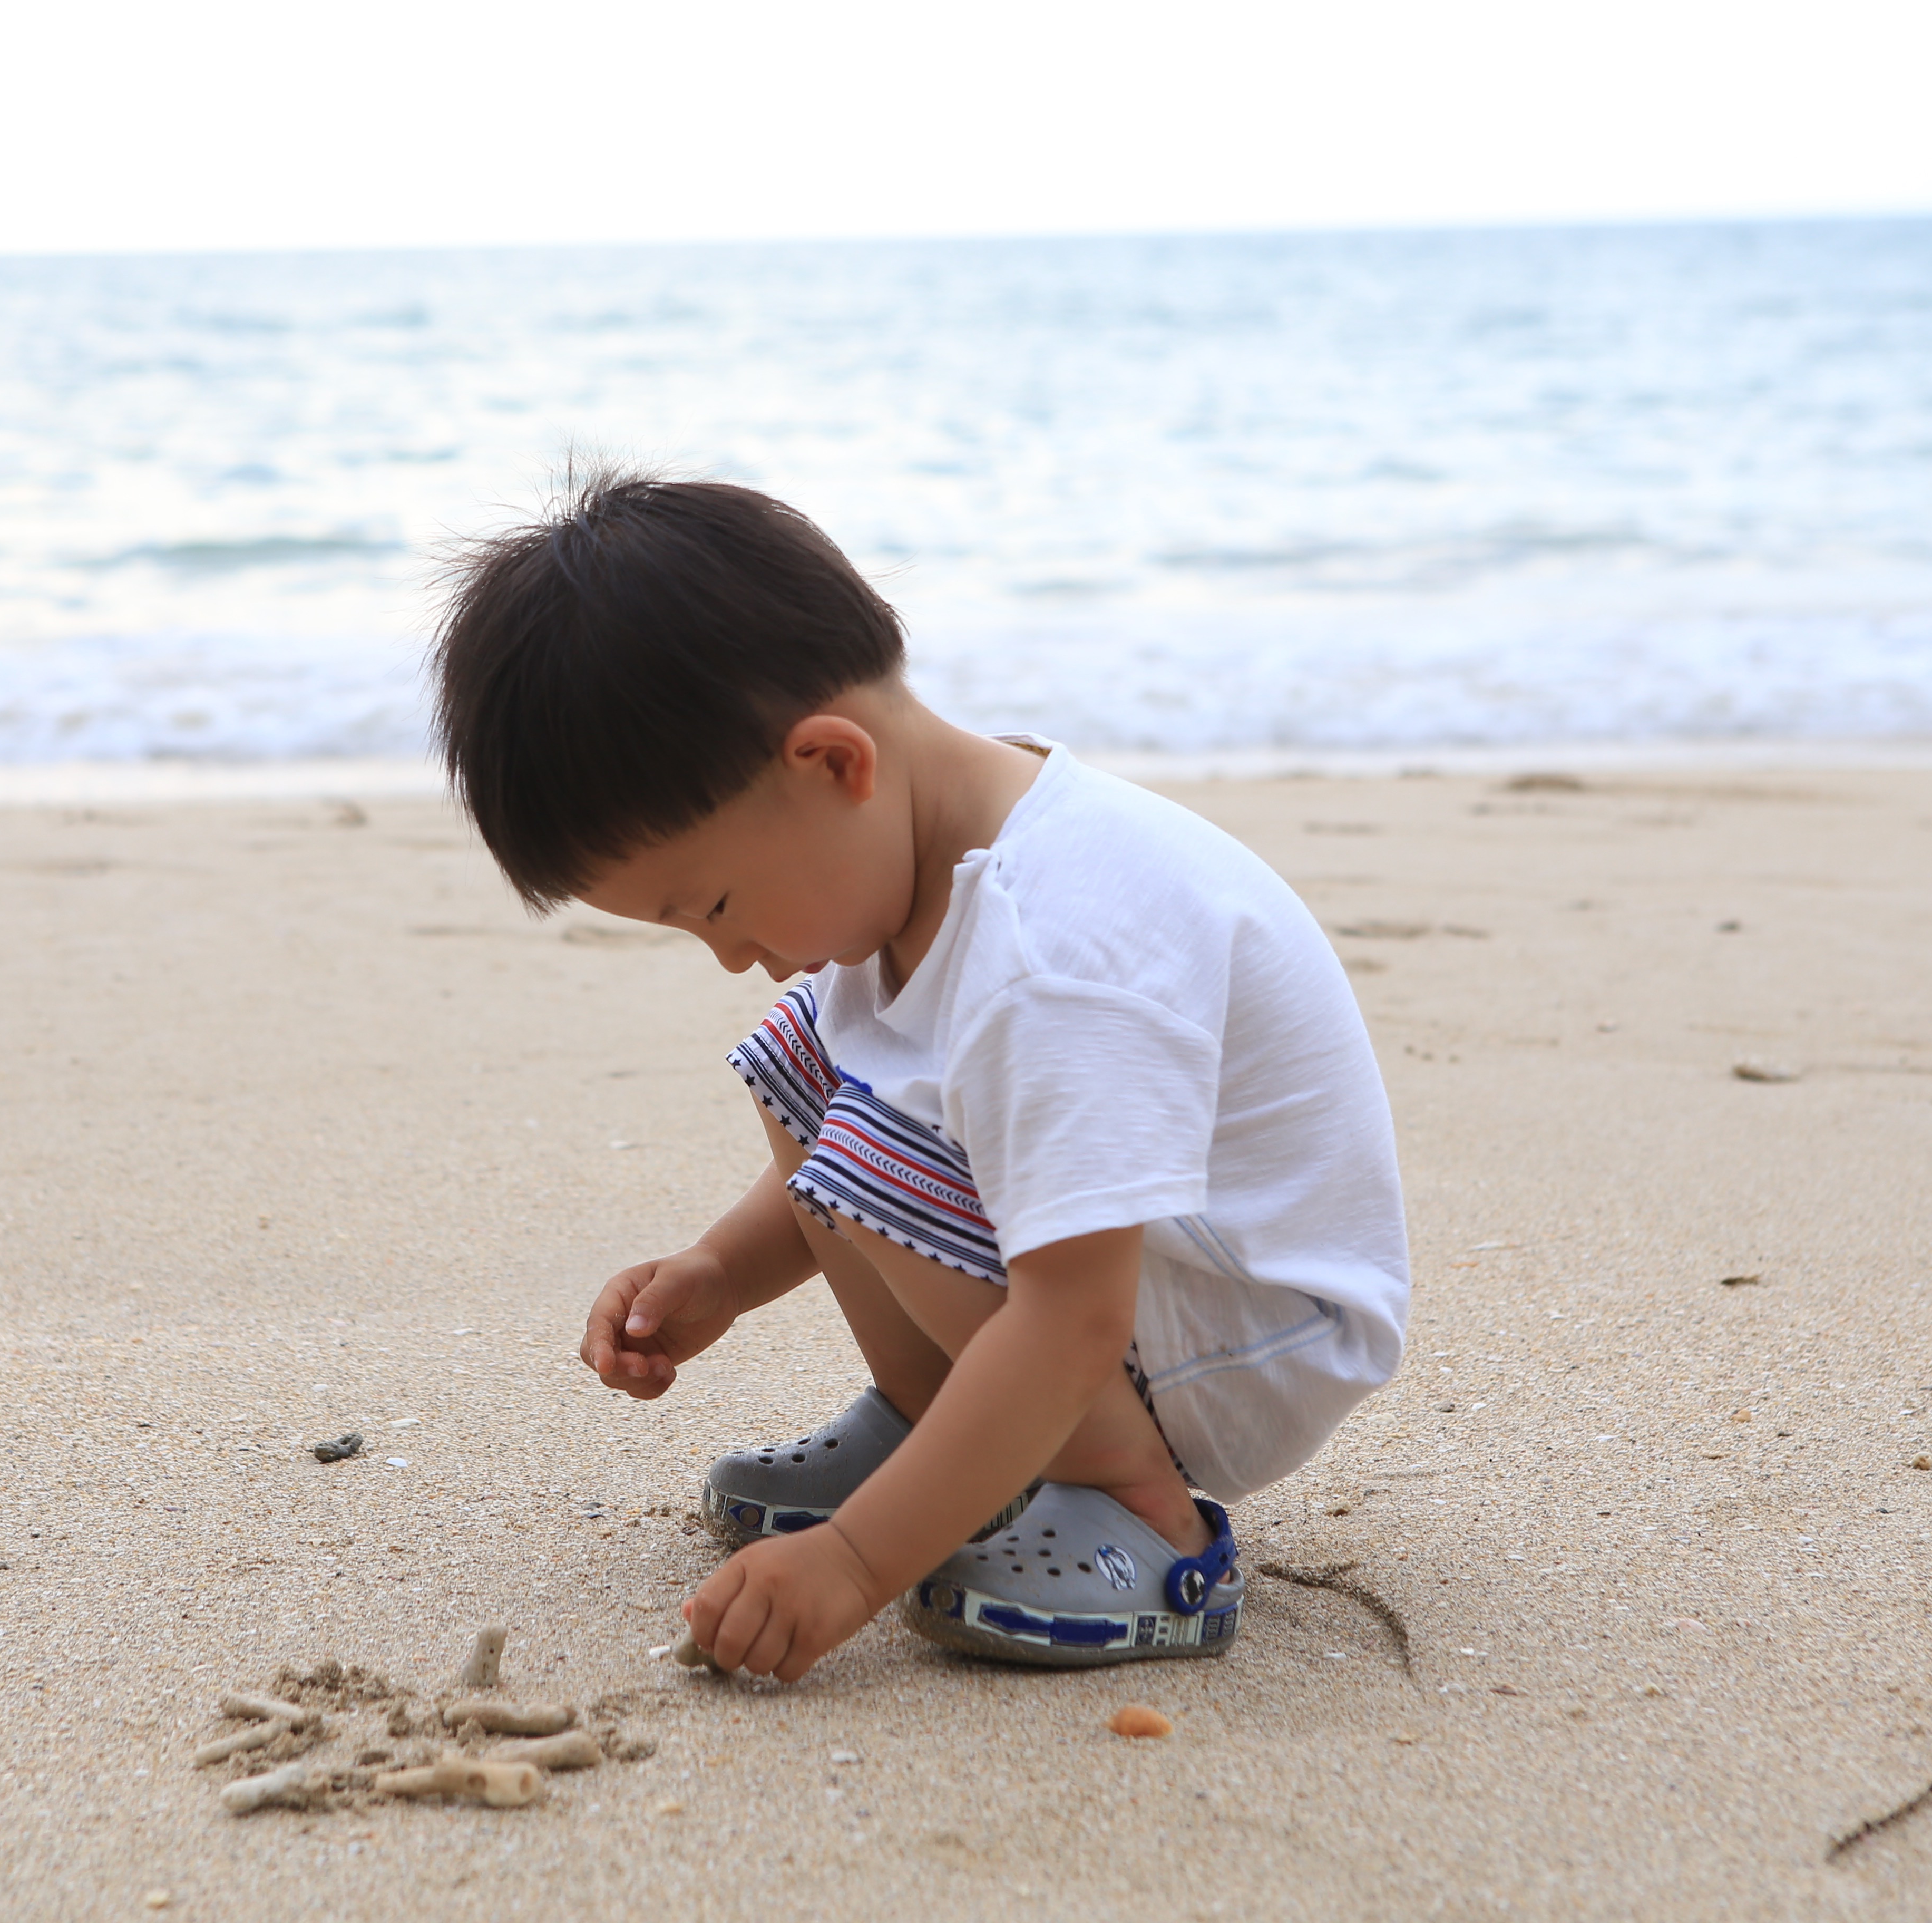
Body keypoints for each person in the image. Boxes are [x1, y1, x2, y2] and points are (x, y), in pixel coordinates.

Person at [427, 471, 1411, 1681]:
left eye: (717, 906)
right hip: (1140, 1280)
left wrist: (854, 1562)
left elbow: (1074, 1314)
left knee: (869, 1135)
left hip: (1249, 1328)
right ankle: (941, 1429)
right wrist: (721, 1271)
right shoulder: (914, 848)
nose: (729, 954)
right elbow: (873, 1115)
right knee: (809, 1054)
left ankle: (1146, 1514)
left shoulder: (1050, 952)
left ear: (832, 763)